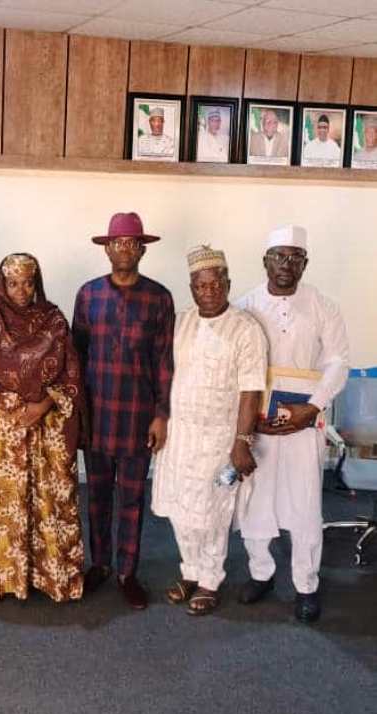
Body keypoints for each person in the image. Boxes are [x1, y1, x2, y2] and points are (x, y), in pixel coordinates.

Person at [235, 225, 349, 623]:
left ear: (305, 263)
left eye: (295, 257)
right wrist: (249, 420)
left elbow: (338, 361)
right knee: (255, 499)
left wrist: (312, 407)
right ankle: (260, 573)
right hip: (259, 421)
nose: (286, 264)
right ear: (265, 261)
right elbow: (237, 368)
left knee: (304, 504)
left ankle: (306, 584)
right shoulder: (245, 305)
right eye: (279, 256)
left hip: (304, 422)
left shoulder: (323, 306)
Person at [151, 246, 267, 616]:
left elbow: (251, 390)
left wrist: (242, 442)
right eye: (201, 285)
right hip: (180, 435)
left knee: (213, 512)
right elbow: (161, 373)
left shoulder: (245, 328)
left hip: (220, 439)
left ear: (228, 284)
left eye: (217, 284)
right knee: (180, 510)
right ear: (192, 288)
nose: (210, 291)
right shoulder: (180, 322)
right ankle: (190, 571)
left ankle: (210, 580)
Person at [72, 212, 174, 610]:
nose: (125, 249)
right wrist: (77, 415)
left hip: (137, 415)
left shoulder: (159, 298)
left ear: (142, 249)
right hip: (97, 415)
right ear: (107, 249)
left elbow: (164, 361)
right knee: (96, 496)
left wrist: (161, 414)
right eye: (118, 243)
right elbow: (76, 358)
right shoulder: (88, 295)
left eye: (133, 243)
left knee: (132, 498)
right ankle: (99, 564)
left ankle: (127, 572)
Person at [0, 254, 84, 602]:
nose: (21, 291)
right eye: (13, 283)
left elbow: (70, 373)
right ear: (2, 285)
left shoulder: (54, 319)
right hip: (3, 427)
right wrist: (13, 410)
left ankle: (52, 578)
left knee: (50, 500)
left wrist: (43, 404)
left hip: (47, 424)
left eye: (28, 282)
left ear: (37, 283)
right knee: (3, 502)